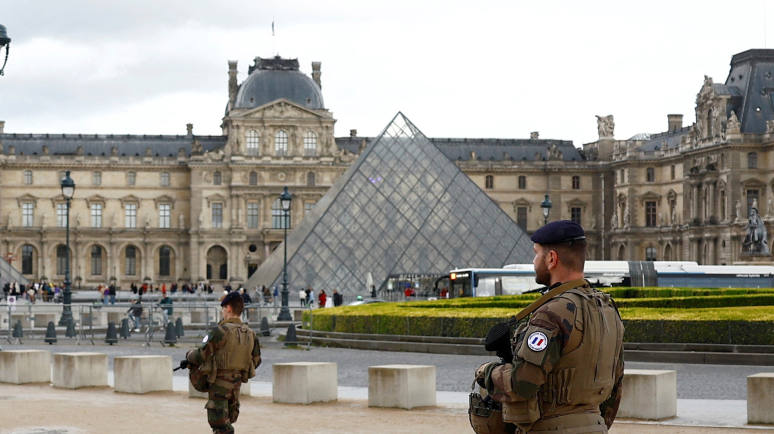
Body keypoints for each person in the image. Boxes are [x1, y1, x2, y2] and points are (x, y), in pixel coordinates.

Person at [474, 220, 624, 434]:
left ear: (552, 258)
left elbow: (521, 384)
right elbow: (616, 386)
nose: (534, 261)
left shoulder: (552, 312)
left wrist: (486, 372)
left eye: (536, 254)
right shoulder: (608, 309)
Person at [186, 292, 262, 434]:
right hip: (236, 385)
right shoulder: (251, 333)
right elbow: (257, 360)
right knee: (227, 421)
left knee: (220, 425)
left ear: (228, 308)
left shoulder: (220, 331)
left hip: (219, 383)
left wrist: (188, 355)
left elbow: (199, 356)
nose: (222, 312)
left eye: (222, 309)